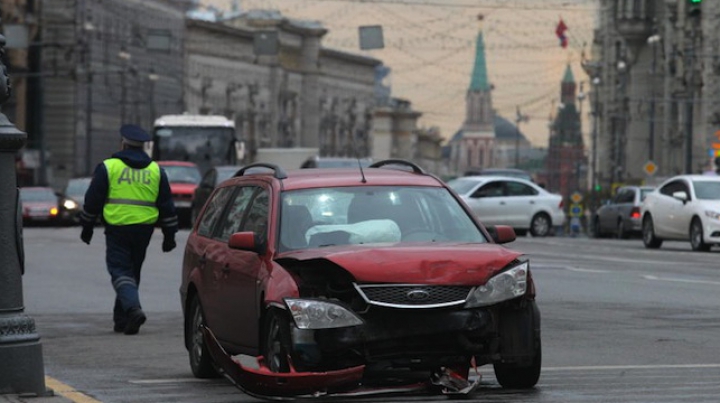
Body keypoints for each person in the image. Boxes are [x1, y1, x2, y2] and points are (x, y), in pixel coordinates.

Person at [79, 124, 178, 335]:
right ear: (143, 146)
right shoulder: (156, 170)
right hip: (144, 229)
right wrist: (169, 236)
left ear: (123, 143)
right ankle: (122, 320)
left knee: (119, 270)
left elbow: (92, 200)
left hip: (117, 227)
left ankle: (133, 309)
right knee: (132, 271)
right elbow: (167, 205)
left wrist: (87, 226)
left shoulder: (109, 167)